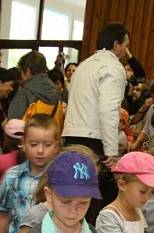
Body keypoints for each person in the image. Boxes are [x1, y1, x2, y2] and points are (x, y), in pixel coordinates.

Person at [62, 23, 128, 168]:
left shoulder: (83, 65)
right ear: (116, 44)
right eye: (125, 45)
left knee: (72, 185)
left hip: (71, 135)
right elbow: (109, 109)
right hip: (93, 139)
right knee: (89, 188)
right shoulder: (113, 66)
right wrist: (111, 149)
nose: (126, 50)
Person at [7, 51, 58, 120]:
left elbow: (12, 122)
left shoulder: (25, 91)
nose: (21, 76)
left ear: (28, 71)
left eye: (21, 72)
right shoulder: (55, 91)